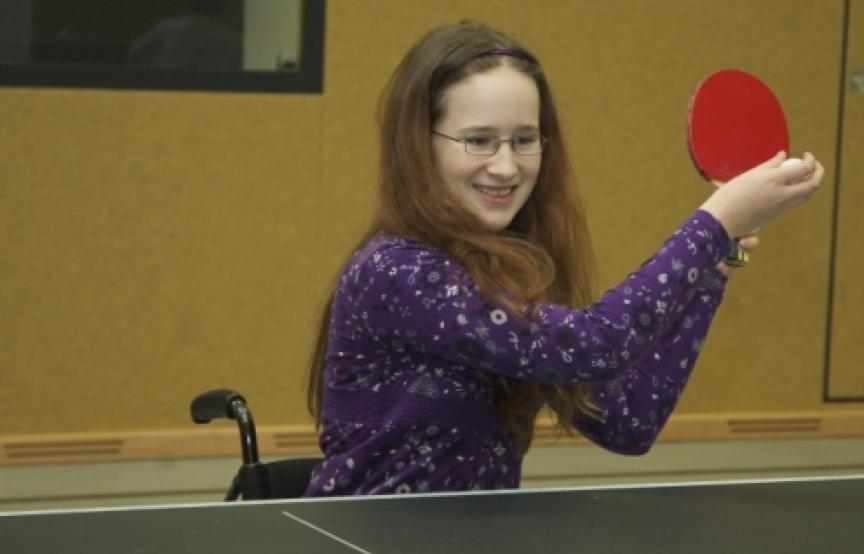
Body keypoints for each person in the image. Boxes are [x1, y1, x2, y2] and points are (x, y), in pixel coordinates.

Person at [304, 20, 823, 496]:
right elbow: (594, 345)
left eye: (524, 140)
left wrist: (708, 277)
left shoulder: (508, 272)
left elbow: (626, 421)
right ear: (420, 145)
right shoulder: (396, 272)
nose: (505, 167)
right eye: (479, 141)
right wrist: (714, 223)